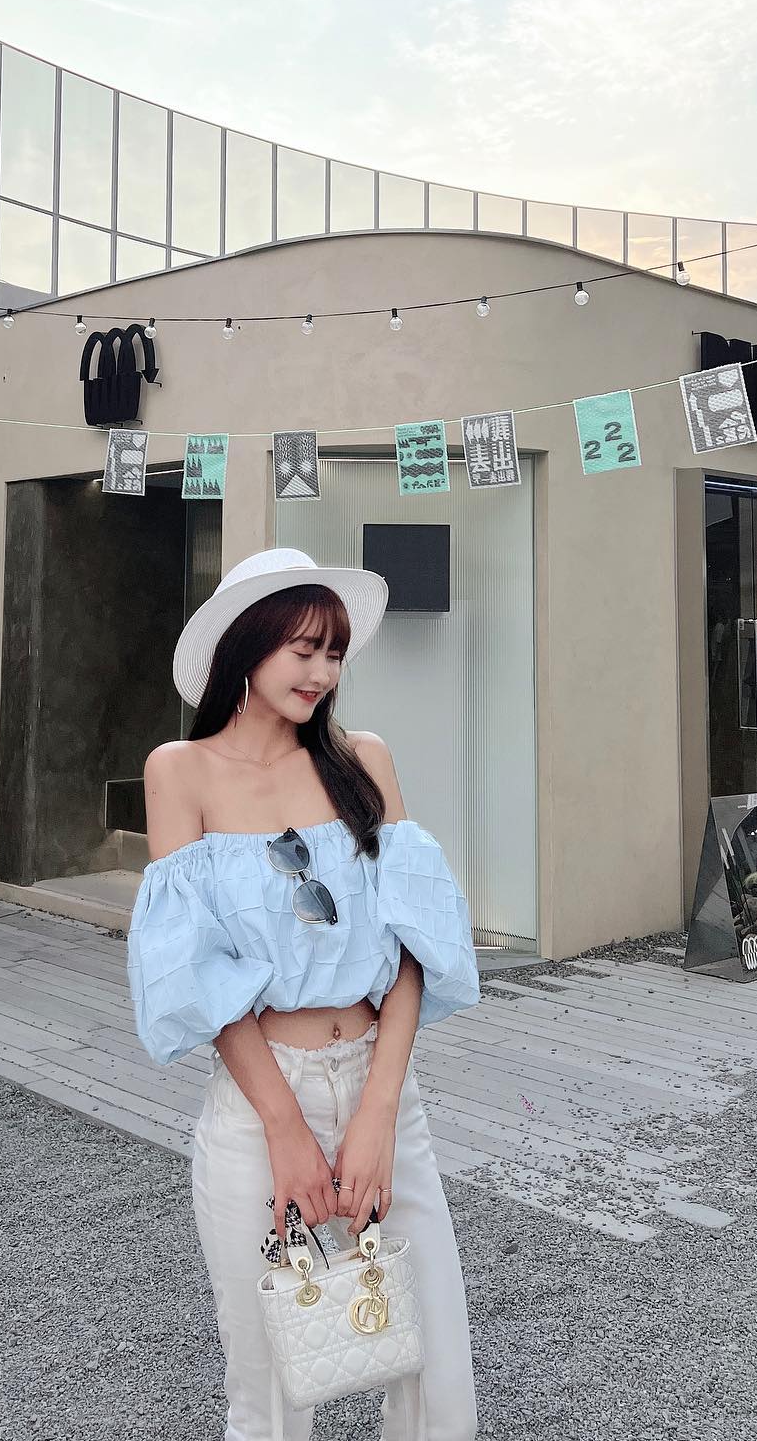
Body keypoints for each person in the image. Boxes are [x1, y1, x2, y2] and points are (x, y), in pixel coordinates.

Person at [126, 546, 482, 1441]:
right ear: (248, 648)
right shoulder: (180, 770)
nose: (323, 672)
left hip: (378, 1081)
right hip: (259, 1104)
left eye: (334, 652)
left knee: (439, 1375)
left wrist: (378, 1112)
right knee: (274, 1387)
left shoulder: (363, 760)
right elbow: (202, 973)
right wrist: (286, 1130)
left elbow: (413, 947)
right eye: (304, 650)